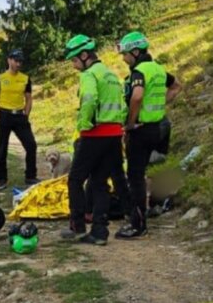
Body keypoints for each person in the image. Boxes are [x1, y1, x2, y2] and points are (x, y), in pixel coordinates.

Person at [60, 35, 127, 246]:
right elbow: (123, 105)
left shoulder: (89, 75)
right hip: (114, 134)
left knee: (75, 180)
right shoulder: (110, 74)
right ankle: (99, 231)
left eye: (74, 60)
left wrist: (84, 124)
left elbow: (89, 100)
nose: (73, 65)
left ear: (84, 55)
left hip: (95, 134)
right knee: (99, 183)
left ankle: (78, 227)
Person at [114, 31, 181, 240]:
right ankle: (155, 205)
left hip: (141, 130)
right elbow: (176, 85)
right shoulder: (159, 69)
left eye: (125, 54)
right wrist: (161, 105)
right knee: (154, 168)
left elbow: (137, 96)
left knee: (135, 177)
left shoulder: (139, 72)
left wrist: (131, 123)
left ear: (135, 52)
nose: (124, 59)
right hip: (159, 127)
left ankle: (138, 225)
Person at [0, 49, 38, 189]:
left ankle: (30, 176)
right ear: (9, 60)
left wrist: (26, 114)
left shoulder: (25, 78)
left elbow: (29, 98)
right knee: (2, 148)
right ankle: (1, 179)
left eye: (20, 61)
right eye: (16, 60)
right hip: (4, 114)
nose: (18, 63)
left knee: (31, 145)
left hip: (20, 116)